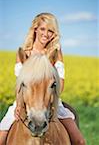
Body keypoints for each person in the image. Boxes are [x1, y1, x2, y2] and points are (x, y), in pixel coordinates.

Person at [0, 13, 85, 145]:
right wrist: (18, 104)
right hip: (24, 102)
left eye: (51, 31)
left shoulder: (55, 52)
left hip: (52, 102)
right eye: (43, 29)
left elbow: (60, 83)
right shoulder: (25, 53)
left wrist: (53, 102)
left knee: (79, 141)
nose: (46, 34)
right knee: (1, 137)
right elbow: (20, 85)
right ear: (35, 29)